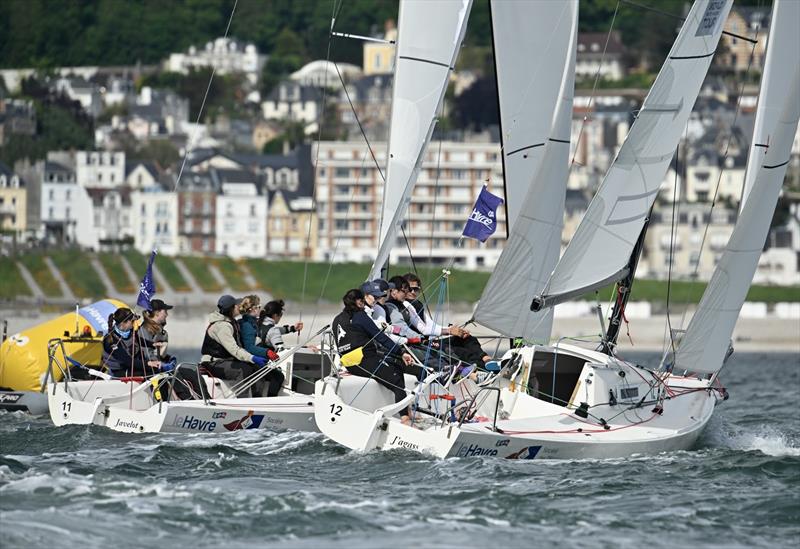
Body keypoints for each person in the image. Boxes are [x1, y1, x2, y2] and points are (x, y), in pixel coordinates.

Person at [332, 288, 416, 423]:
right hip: (364, 360)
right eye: (362, 301)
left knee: (397, 366)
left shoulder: (337, 319)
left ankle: (406, 411)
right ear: (359, 301)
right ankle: (405, 419)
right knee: (397, 383)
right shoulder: (360, 315)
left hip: (349, 364)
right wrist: (401, 352)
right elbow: (380, 337)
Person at [200, 295, 270, 398]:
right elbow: (234, 349)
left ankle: (257, 399)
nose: (239, 307)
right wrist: (252, 357)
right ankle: (242, 401)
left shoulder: (231, 322)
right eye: (236, 306)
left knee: (256, 368)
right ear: (231, 309)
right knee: (242, 370)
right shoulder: (222, 326)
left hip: (225, 360)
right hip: (213, 362)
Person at [238, 295, 285, 397]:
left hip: (250, 358)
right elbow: (249, 347)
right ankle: (267, 401)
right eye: (259, 307)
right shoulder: (248, 326)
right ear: (253, 309)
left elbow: (271, 329)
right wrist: (267, 352)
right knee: (278, 376)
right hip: (249, 360)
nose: (261, 309)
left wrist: (292, 328)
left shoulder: (253, 322)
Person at [102, 307, 166, 378]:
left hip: (131, 366)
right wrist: (148, 363)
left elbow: (138, 340)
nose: (133, 324)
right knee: (153, 372)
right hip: (118, 372)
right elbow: (127, 360)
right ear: (123, 323)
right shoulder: (110, 340)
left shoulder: (129, 332)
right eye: (132, 322)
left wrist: (152, 344)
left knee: (159, 369)